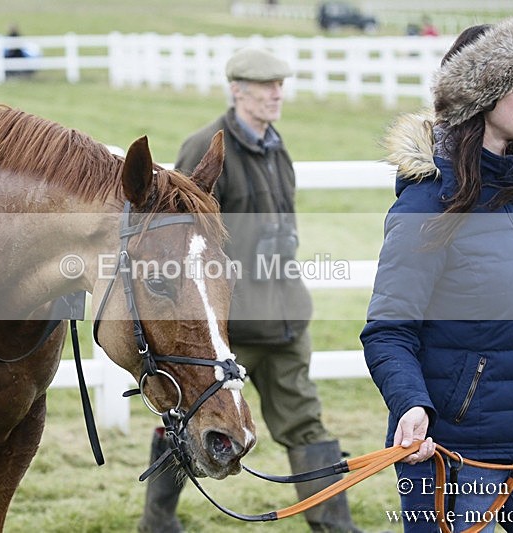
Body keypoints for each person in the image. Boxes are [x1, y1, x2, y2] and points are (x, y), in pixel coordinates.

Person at [360, 17, 513, 531]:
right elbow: (388, 328)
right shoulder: (430, 198)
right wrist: (410, 404)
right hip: (449, 456)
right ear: (483, 96)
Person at [137, 47, 360, 533]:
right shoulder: (205, 147)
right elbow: (178, 241)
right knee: (183, 424)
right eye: (264, 85)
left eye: (280, 84)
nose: (275, 93)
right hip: (231, 331)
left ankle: (335, 527)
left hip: (285, 320)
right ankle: (157, 522)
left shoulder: (277, 147)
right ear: (237, 89)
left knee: (305, 425)